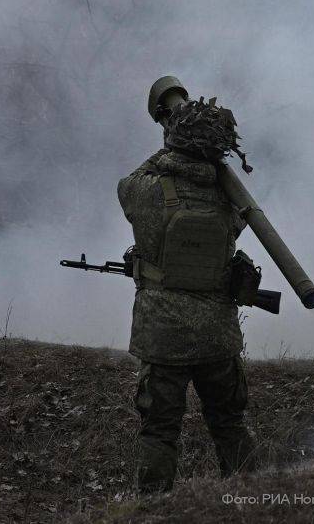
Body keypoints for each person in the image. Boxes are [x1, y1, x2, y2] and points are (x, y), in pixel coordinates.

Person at [117, 80, 257, 493]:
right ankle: (254, 500)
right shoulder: (229, 198)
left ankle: (154, 509)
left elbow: (127, 185)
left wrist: (170, 145)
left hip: (163, 337)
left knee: (160, 431)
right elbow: (239, 223)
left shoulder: (147, 189)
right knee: (230, 424)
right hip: (218, 334)